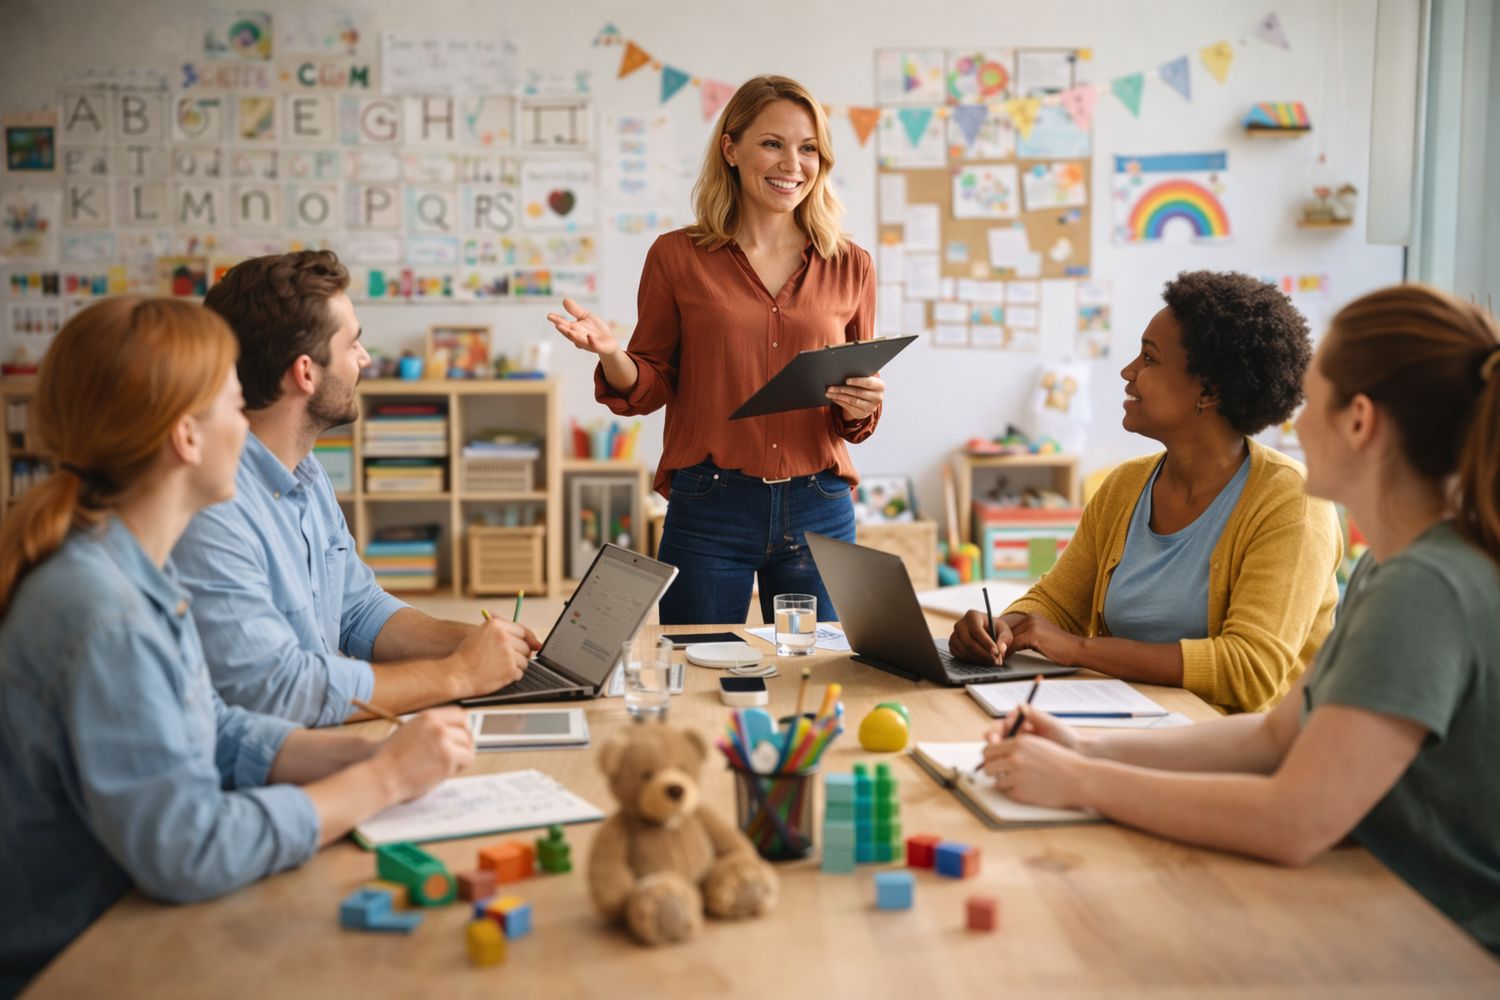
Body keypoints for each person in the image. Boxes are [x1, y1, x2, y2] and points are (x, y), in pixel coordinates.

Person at [982, 285, 1500, 955]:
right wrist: (1086, 748)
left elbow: (1295, 820)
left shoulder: (1427, 585)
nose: (1290, 420)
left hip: (1441, 942)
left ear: (1360, 421)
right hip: (1378, 899)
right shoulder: (1395, 566)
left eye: (1311, 398)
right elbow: (1279, 734)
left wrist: (1083, 783)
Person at [0, 298, 476, 995]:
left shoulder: (128, 566)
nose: (248, 431)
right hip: (87, 957)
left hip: (135, 919)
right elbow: (186, 847)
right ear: (185, 440)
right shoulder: (105, 614)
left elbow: (210, 727)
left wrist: (361, 753)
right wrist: (383, 782)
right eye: (232, 404)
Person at [547, 75, 883, 626]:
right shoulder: (677, 257)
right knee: (699, 676)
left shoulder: (852, 264)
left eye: (808, 149)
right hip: (710, 506)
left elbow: (856, 410)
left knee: (818, 680)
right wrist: (611, 353)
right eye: (772, 143)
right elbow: (651, 383)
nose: (791, 165)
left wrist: (861, 402)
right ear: (731, 147)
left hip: (819, 505)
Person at [172, 251, 539, 727]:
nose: (364, 358)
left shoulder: (306, 473)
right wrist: (458, 674)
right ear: (306, 372)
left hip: (315, 737)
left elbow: (359, 610)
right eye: (353, 345)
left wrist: (482, 645)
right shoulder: (215, 507)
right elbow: (279, 690)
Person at [951, 272, 1342, 713]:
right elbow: (1057, 603)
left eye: (1149, 359)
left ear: (1209, 391)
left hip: (1239, 747)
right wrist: (1002, 628)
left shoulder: (1290, 501)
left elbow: (1249, 672)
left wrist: (1078, 650)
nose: (1128, 372)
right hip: (1128, 720)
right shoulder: (1126, 486)